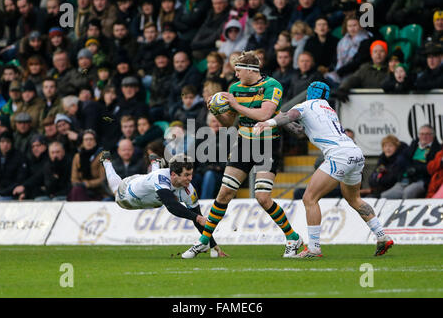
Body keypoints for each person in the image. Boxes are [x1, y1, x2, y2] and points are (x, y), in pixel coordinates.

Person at [182, 51, 303, 259]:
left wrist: (235, 105)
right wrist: (217, 111)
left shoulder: (272, 86)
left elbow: (265, 115)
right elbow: (229, 123)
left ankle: (293, 237)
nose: (235, 75)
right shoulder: (235, 88)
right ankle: (203, 241)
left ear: (250, 70)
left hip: (267, 144)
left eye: (238, 70)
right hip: (244, 143)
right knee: (224, 194)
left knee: (263, 198)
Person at [254, 81, 394, 257]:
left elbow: (291, 115)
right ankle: (382, 236)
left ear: (309, 93)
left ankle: (313, 248)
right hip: (356, 153)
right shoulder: (329, 110)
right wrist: (279, 118)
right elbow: (298, 131)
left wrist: (269, 122)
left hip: (338, 155)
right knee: (354, 198)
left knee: (309, 198)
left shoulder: (306, 105)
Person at [100, 151, 227, 257]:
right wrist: (198, 218)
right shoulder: (161, 178)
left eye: (191, 174)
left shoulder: (189, 190)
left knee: (157, 189)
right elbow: (171, 206)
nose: (190, 179)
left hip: (149, 191)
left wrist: (214, 245)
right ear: (173, 174)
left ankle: (155, 163)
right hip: (128, 194)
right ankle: (106, 162)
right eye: (186, 175)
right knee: (116, 190)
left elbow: (197, 219)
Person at [381, 124, 440, 199]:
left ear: (433, 136)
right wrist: (408, 168)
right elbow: (402, 158)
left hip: (421, 180)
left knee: (408, 193)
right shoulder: (414, 144)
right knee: (385, 196)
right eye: (422, 134)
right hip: (406, 179)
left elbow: (431, 167)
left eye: (427, 134)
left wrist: (415, 168)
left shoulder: (436, 149)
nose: (424, 136)